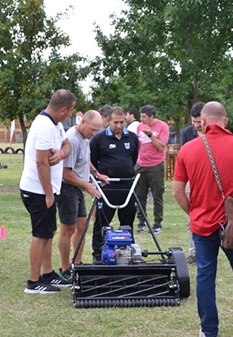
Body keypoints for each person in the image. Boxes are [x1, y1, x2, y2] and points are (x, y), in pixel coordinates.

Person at [173, 101, 233, 337]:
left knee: (205, 276)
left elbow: (177, 193)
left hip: (202, 226)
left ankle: (209, 331)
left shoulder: (187, 150)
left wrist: (193, 213)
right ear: (225, 122)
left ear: (202, 122)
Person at [19, 89, 76, 293]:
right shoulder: (44, 126)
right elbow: (41, 162)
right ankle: (33, 282)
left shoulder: (56, 124)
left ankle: (48, 273)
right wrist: (49, 193)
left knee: (49, 233)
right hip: (38, 191)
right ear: (63, 109)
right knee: (41, 234)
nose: (69, 115)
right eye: (70, 112)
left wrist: (61, 154)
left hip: (48, 189)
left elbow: (67, 145)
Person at [57, 110, 106, 282]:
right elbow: (66, 173)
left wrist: (97, 174)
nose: (94, 134)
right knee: (68, 229)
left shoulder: (85, 138)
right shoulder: (72, 139)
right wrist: (87, 185)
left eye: (97, 131)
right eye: (92, 129)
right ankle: (65, 270)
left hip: (78, 188)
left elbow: (85, 161)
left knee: (82, 226)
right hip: (68, 188)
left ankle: (77, 264)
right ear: (83, 122)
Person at [90, 107, 140, 261]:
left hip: (127, 185)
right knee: (102, 221)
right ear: (108, 121)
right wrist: (99, 176)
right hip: (107, 186)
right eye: (115, 122)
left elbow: (133, 158)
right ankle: (98, 253)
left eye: (121, 122)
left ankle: (127, 251)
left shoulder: (132, 137)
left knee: (128, 220)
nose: (119, 126)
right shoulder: (99, 139)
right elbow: (90, 160)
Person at [135, 105, 169, 234]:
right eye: (141, 116)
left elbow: (161, 147)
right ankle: (141, 221)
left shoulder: (162, 126)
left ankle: (157, 223)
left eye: (144, 116)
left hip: (156, 165)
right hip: (141, 164)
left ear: (152, 116)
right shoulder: (139, 126)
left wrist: (150, 135)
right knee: (139, 195)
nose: (141, 119)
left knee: (157, 195)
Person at [179, 102, 206, 264]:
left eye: (199, 121)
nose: (196, 125)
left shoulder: (213, 133)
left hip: (210, 181)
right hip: (192, 179)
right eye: (193, 121)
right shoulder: (187, 133)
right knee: (193, 218)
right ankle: (194, 252)